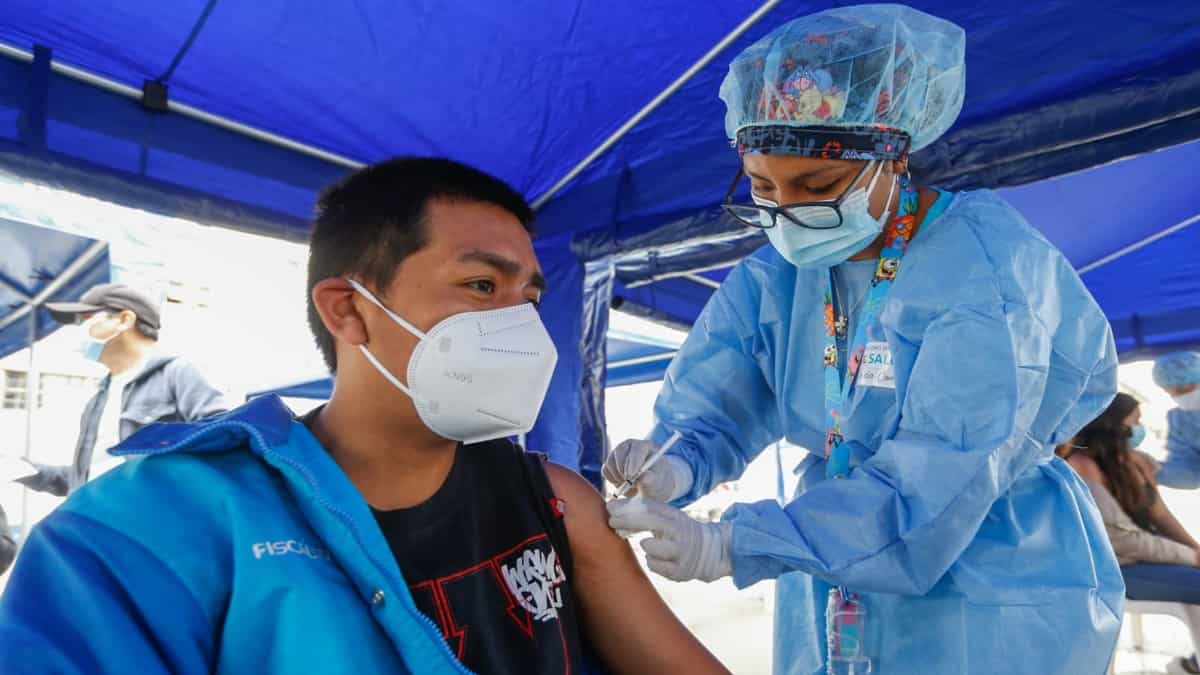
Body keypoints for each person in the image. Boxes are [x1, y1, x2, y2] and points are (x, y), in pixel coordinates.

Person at [0, 158, 728, 675]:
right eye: (481, 284)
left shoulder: (556, 500)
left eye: (530, 298)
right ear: (348, 308)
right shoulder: (156, 526)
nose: (522, 330)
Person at [603, 5, 1122, 674]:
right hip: (828, 574)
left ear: (893, 154)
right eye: (764, 187)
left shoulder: (985, 269)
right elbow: (721, 400)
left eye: (816, 185)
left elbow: (937, 479)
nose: (788, 212)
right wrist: (674, 461)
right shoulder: (779, 274)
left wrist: (732, 543)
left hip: (988, 587)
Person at [1, 283, 228, 496]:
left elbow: (222, 447)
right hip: (100, 525)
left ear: (124, 319)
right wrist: (28, 471)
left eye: (84, 319)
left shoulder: (178, 372)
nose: (76, 330)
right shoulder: (100, 397)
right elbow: (86, 476)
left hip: (150, 526)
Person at [1064, 393, 1200, 675]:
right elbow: (1122, 541)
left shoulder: (1127, 462)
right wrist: (1189, 556)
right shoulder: (1080, 466)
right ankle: (1190, 666)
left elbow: (1159, 516)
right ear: (1112, 424)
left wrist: (1194, 548)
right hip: (1115, 568)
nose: (1139, 430)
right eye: (1134, 421)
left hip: (1144, 558)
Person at [1153, 351, 1200, 489]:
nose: (1185, 396)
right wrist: (1154, 471)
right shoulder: (1180, 419)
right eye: (1176, 392)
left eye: (1189, 388)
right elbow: (1190, 472)